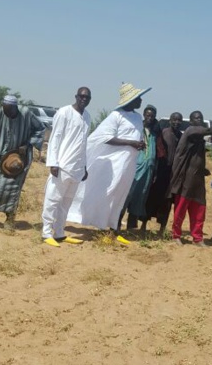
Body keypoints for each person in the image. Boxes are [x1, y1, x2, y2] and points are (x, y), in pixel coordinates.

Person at [66, 83, 150, 244]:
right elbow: (104, 137)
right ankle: (99, 222)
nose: (141, 100)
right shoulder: (116, 116)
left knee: (121, 194)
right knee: (109, 191)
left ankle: (113, 226)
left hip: (129, 163)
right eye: (138, 98)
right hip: (115, 163)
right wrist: (131, 143)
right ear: (131, 100)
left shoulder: (138, 117)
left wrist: (138, 143)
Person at [0, 96, 45, 231]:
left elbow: (40, 128)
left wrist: (28, 144)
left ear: (15, 108)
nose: (6, 114)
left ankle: (9, 220)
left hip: (18, 158)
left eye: (9, 111)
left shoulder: (26, 114)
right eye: (4, 110)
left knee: (12, 190)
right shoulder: (0, 113)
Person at [169, 111, 212, 245]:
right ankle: (176, 235)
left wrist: (203, 169)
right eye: (196, 118)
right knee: (181, 208)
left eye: (201, 118)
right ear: (192, 121)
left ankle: (197, 237)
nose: (199, 120)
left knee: (199, 210)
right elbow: (208, 130)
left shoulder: (199, 139)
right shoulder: (190, 131)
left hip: (198, 179)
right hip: (186, 178)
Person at [41, 88, 92, 247]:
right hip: (62, 165)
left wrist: (84, 167)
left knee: (66, 203)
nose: (84, 99)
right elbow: (55, 138)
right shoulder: (64, 112)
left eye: (87, 97)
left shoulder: (87, 117)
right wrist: (53, 163)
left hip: (77, 168)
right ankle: (46, 233)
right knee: (53, 199)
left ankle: (60, 233)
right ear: (76, 96)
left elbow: (83, 144)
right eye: (81, 96)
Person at [121, 104, 162, 232]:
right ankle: (115, 224)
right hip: (135, 168)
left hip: (148, 170)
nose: (150, 118)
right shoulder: (137, 129)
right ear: (144, 115)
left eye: (152, 116)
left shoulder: (155, 133)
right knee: (127, 195)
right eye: (148, 115)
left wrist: (154, 171)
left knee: (140, 197)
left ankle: (131, 226)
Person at [144, 111, 184, 236]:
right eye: (174, 120)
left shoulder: (181, 136)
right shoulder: (165, 133)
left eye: (179, 120)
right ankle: (143, 225)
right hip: (160, 171)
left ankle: (162, 228)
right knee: (152, 198)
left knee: (167, 202)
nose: (176, 122)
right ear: (170, 121)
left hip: (172, 175)